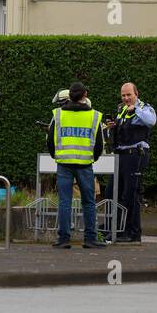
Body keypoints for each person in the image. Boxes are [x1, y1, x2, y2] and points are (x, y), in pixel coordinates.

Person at [47, 81, 105, 249]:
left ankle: (63, 239)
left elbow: (50, 141)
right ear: (84, 95)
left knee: (65, 202)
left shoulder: (58, 114)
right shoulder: (94, 115)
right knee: (89, 202)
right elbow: (99, 145)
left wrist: (57, 156)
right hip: (85, 164)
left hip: (64, 164)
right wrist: (90, 158)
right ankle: (90, 239)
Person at [107, 82, 155, 244]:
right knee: (112, 193)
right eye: (123, 95)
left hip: (135, 155)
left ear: (136, 94)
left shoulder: (145, 108)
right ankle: (117, 229)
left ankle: (133, 233)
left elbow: (151, 121)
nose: (126, 98)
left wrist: (136, 109)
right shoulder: (121, 110)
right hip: (120, 156)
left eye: (129, 95)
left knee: (130, 194)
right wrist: (111, 127)